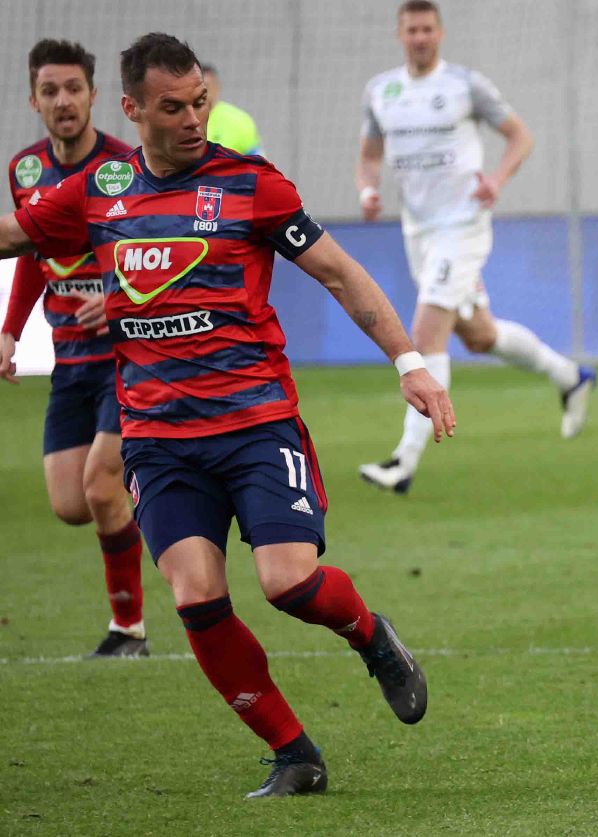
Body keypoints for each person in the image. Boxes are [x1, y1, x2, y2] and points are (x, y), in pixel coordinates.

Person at [0, 33, 458, 798]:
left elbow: (340, 274)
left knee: (288, 583)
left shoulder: (250, 185)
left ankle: (372, 635)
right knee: (195, 597)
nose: (192, 119)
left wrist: (409, 361)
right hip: (159, 439)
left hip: (255, 424)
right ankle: (294, 753)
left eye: (199, 103)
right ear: (133, 109)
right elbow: (15, 235)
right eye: (172, 108)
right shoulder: (99, 190)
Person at [356, 0, 595, 494]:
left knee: (426, 334)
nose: (420, 37)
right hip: (419, 232)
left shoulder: (465, 85)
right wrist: (368, 190)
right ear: (400, 34)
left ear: (440, 33)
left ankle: (403, 462)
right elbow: (370, 155)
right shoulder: (381, 91)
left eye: (427, 29)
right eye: (412, 30)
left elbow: (520, 136)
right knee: (480, 336)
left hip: (462, 227)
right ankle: (570, 376)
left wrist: (497, 180)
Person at [1, 39, 148, 657]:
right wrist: (10, 329)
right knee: (70, 505)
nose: (63, 100)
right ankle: (154, 480)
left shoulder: (123, 168)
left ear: (93, 95)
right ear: (33, 100)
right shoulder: (25, 170)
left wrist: (117, 300)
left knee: (100, 488)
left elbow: (152, 252)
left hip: (127, 357)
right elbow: (31, 249)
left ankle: (128, 631)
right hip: (69, 361)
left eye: (73, 88)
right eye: (50, 90)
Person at [201, 64, 263, 156]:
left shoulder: (239, 120)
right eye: (198, 87)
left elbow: (257, 160)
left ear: (217, 87)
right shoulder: (184, 119)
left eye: (207, 86)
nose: (202, 92)